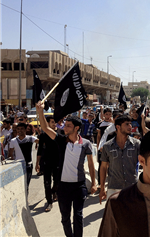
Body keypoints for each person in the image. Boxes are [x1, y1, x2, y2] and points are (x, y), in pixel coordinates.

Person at [36, 101, 97, 237]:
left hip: (79, 186)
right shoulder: (61, 140)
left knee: (78, 215)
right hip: (63, 187)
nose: (64, 127)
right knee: (65, 218)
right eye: (65, 125)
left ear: (76, 128)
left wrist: (94, 183)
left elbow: (91, 165)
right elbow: (46, 128)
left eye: (68, 126)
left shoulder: (86, 144)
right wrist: (40, 112)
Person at [99, 115, 140, 202]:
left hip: (132, 187)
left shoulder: (136, 144)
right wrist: (102, 188)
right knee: (114, 215)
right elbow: (103, 167)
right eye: (127, 124)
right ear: (118, 127)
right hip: (113, 188)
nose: (130, 126)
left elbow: (145, 163)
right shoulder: (107, 146)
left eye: (130, 124)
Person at [35, 116, 62, 212]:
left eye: (55, 122)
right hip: (46, 162)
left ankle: (54, 191)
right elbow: (40, 150)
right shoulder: (43, 135)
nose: (54, 124)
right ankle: (49, 202)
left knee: (57, 181)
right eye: (52, 122)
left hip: (58, 162)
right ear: (47, 123)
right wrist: (37, 163)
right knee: (47, 183)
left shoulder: (60, 134)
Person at [9, 122, 39, 190]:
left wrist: (40, 133)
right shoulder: (13, 141)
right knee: (19, 186)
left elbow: (42, 142)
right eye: (18, 129)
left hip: (28, 166)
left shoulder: (31, 138)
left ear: (26, 130)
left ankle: (26, 199)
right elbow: (10, 155)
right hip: (18, 166)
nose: (20, 130)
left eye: (22, 129)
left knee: (26, 185)